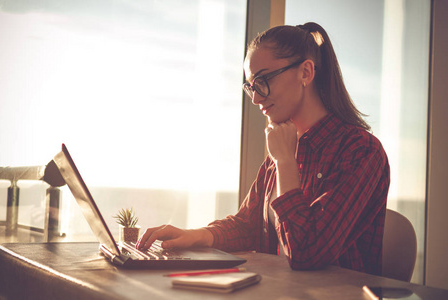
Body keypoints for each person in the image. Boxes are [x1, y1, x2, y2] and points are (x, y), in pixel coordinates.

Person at [136, 22, 390, 276]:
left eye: (263, 80)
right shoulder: (281, 150)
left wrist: (286, 163)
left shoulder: (360, 150)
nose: (256, 98)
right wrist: (195, 236)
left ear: (305, 73)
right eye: (250, 86)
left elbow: (307, 251)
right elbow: (247, 225)